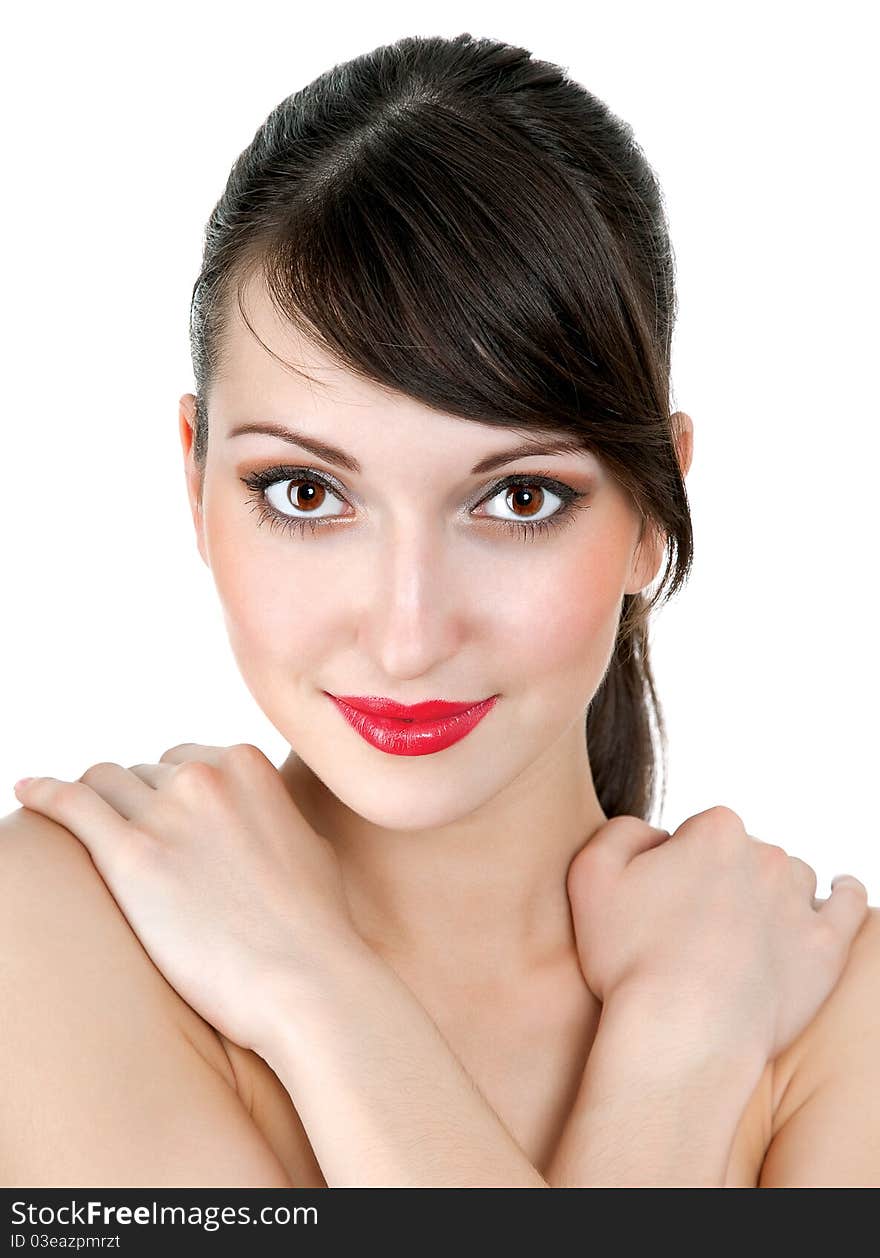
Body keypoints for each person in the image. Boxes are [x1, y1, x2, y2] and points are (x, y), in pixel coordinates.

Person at [2, 32, 877, 1189]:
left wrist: (672, 1043)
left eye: (517, 498)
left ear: (653, 510)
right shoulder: (52, 929)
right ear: (195, 480)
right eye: (306, 492)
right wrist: (677, 1067)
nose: (407, 633)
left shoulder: (832, 999)